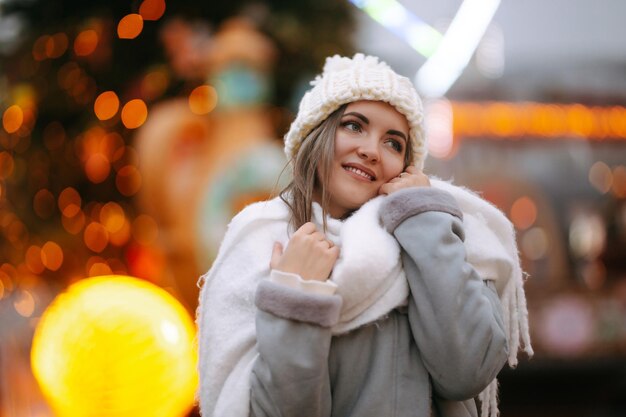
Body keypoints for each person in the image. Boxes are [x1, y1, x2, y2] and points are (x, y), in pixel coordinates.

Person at [197, 53, 532, 417]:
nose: (372, 151)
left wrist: (424, 221)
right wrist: (294, 297)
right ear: (316, 132)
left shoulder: (440, 236)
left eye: (394, 143)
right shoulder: (260, 240)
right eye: (354, 126)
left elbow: (468, 373)